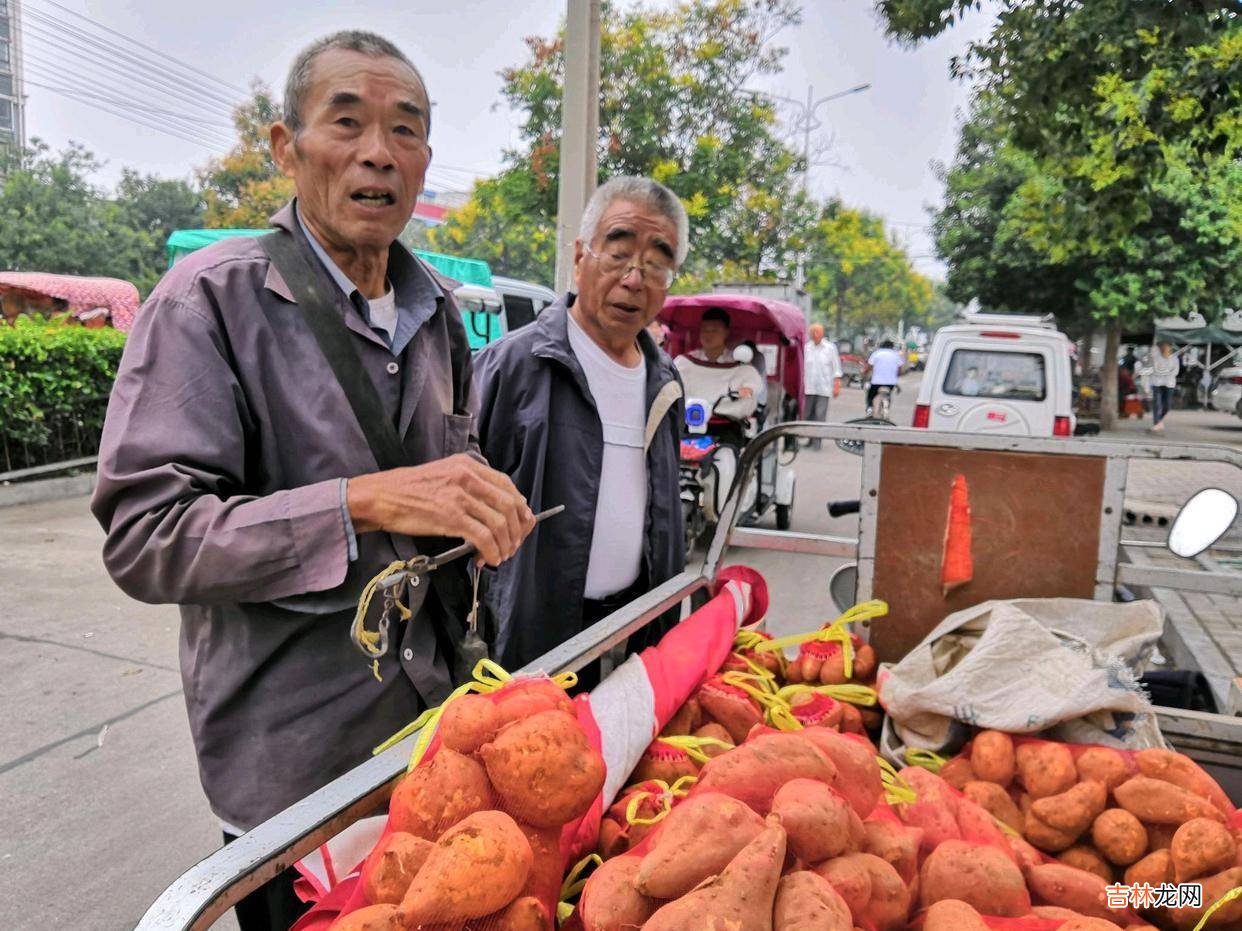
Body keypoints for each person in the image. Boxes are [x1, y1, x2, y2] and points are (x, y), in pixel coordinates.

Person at [90, 31, 535, 930]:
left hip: (429, 747)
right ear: (285, 148)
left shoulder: (438, 314)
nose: (378, 151)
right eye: (348, 122)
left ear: (423, 162)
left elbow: (453, 461)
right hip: (292, 777)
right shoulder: (208, 301)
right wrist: (364, 500)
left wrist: (477, 496)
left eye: (404, 130)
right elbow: (148, 538)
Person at [472, 176, 687, 685]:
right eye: (617, 255)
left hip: (636, 637)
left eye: (656, 264)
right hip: (529, 647)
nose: (635, 279)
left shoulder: (666, 382)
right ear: (579, 256)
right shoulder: (513, 367)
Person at [674, 307, 764, 424]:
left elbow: (752, 386)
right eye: (705, 330)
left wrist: (746, 391)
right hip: (689, 421)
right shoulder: (684, 362)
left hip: (727, 425)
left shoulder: (740, 365)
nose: (708, 334)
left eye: (714, 330)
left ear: (726, 332)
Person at [803, 322, 842, 449]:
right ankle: (809, 439)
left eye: (817, 332)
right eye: (813, 332)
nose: (815, 335)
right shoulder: (807, 348)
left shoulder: (830, 348)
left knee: (820, 415)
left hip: (824, 388)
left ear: (822, 333)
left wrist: (837, 385)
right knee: (808, 415)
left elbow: (836, 368)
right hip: (809, 387)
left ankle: (817, 442)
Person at [864, 338, 903, 414]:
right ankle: (887, 406)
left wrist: (864, 372)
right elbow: (900, 370)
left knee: (870, 395)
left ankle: (869, 409)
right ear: (892, 347)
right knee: (888, 395)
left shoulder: (876, 353)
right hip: (891, 383)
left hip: (876, 382)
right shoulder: (896, 355)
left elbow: (869, 367)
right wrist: (896, 376)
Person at [1149, 340, 1180, 432]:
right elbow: (1154, 369)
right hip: (1157, 383)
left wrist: (1163, 372)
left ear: (1170, 348)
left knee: (1167, 405)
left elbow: (1175, 372)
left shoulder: (1174, 359)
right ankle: (1156, 422)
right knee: (1156, 403)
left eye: (1165, 347)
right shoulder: (1156, 358)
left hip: (1169, 383)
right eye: (1161, 347)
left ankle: (1160, 419)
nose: (1163, 349)